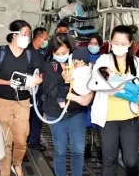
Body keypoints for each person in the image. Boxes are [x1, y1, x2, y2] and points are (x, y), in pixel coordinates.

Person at [91, 25, 139, 176]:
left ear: (130, 44)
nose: (119, 46)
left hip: (130, 117)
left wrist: (122, 84)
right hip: (108, 117)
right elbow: (95, 82)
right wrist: (118, 88)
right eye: (116, 43)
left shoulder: (138, 63)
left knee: (131, 160)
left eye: (123, 44)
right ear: (111, 42)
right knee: (109, 159)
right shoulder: (103, 60)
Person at [0, 20, 42, 176]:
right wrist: (9, 83)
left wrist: (35, 81)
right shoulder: (1, 52)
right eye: (25, 34)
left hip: (23, 103)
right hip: (2, 101)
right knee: (4, 139)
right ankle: (3, 171)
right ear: (14, 35)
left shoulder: (31, 54)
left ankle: (16, 162)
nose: (27, 37)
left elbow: (40, 75)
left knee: (21, 139)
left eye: (29, 34)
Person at [41, 33, 94, 176]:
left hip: (77, 112)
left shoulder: (78, 63)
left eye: (64, 52)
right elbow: (52, 89)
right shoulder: (49, 65)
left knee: (78, 149)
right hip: (56, 112)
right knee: (60, 151)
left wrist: (90, 95)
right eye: (57, 53)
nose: (61, 55)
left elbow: (91, 82)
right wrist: (76, 97)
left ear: (70, 49)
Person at [27, 27, 48, 151]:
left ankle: (34, 141)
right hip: (27, 89)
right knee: (26, 117)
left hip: (39, 90)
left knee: (38, 114)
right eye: (45, 38)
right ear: (39, 38)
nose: (46, 41)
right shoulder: (26, 51)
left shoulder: (43, 52)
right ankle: (23, 141)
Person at [85, 33, 103, 159]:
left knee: (97, 121)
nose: (93, 46)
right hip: (86, 92)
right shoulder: (83, 57)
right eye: (91, 43)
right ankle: (86, 147)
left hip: (99, 94)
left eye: (95, 44)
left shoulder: (104, 59)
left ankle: (99, 148)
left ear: (100, 46)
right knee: (86, 121)